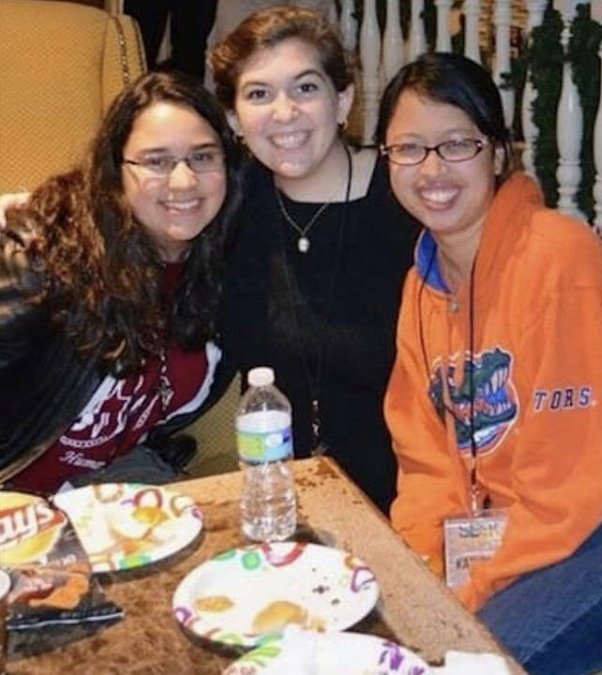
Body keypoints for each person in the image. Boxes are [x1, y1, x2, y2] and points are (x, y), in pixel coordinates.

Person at [377, 53, 602, 675]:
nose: (432, 170)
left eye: (457, 145)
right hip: (491, 541)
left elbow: (567, 489)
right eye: (409, 149)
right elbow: (422, 457)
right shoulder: (420, 285)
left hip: (585, 540)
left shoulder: (561, 259)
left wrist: (466, 593)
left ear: (499, 154)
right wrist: (425, 572)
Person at [210, 6, 419, 512]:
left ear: (343, 98)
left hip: (411, 499)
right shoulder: (227, 204)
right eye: (259, 94)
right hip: (280, 500)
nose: (285, 113)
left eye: (306, 88)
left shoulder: (407, 196)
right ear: (236, 118)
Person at [0, 72, 243, 493]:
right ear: (115, 170)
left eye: (203, 157)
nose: (184, 181)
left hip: (110, 484)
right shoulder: (44, 255)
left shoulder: (220, 268)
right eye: (156, 161)